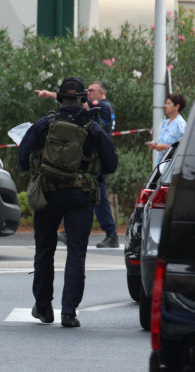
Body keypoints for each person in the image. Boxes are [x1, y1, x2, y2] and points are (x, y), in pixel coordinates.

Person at [19, 77, 118, 328]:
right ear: (84, 98)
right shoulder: (93, 127)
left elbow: (22, 159)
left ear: (60, 97)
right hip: (79, 195)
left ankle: (43, 308)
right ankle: (68, 312)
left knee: (44, 250)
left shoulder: (44, 124)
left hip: (48, 194)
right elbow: (111, 164)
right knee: (76, 252)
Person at [37, 82, 119, 248]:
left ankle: (110, 233)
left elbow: (79, 103)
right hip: (96, 155)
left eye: (91, 90)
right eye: (86, 91)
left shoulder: (102, 105)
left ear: (101, 93)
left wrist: (52, 94)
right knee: (83, 193)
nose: (87, 93)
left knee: (94, 196)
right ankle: (73, 232)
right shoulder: (100, 106)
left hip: (98, 158)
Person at [146, 93, 187, 161]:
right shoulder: (165, 123)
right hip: (162, 165)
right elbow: (161, 146)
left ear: (177, 106)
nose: (165, 106)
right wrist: (155, 146)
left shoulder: (181, 125)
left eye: (168, 103)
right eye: (166, 103)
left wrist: (163, 147)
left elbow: (183, 148)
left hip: (173, 166)